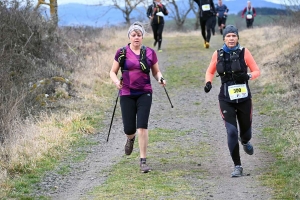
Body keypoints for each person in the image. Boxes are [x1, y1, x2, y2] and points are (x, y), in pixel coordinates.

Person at [204, 25, 260, 177]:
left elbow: (256, 71)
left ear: (237, 38)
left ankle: (246, 141)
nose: (231, 39)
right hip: (226, 98)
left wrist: (247, 76)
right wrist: (208, 82)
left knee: (245, 132)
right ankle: (237, 166)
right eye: (228, 36)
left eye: (233, 36)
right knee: (232, 131)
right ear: (224, 38)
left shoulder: (244, 52)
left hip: (243, 99)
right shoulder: (218, 54)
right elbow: (210, 71)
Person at [109, 22, 166, 173]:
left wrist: (161, 79)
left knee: (142, 126)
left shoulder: (149, 53)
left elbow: (156, 72)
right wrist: (116, 82)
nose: (136, 38)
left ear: (142, 37)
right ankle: (130, 138)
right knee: (129, 128)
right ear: (129, 36)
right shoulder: (121, 52)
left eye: (139, 35)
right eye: (133, 35)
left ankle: (143, 160)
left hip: (144, 92)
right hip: (126, 93)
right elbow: (112, 72)